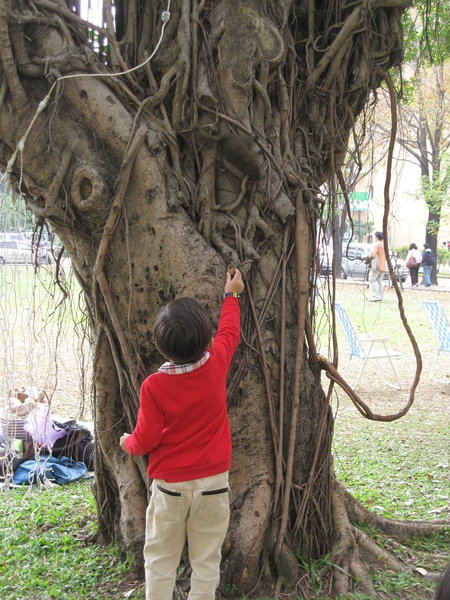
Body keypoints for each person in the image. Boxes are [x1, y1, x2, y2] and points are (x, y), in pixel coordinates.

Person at [119, 269, 245, 600]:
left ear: (162, 349)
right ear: (207, 341)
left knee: (160, 560)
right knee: (206, 561)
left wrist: (126, 442)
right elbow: (230, 331)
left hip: (170, 489)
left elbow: (144, 440)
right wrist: (230, 295)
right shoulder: (217, 362)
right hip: (214, 486)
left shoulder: (154, 386)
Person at [368, 231, 386, 302]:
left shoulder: (377, 245)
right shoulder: (384, 245)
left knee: (372, 280)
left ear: (377, 237)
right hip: (383, 266)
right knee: (380, 281)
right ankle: (380, 296)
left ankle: (376, 296)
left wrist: (369, 256)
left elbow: (373, 255)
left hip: (376, 266)